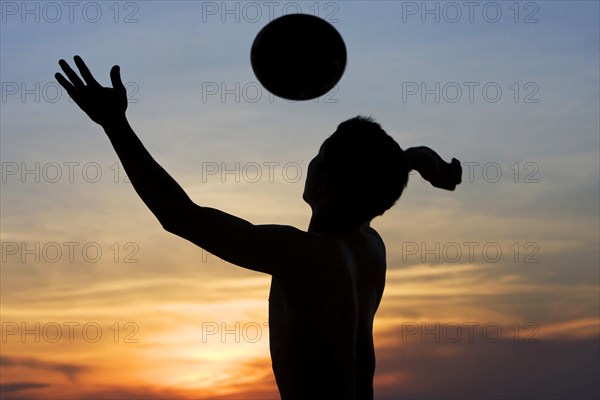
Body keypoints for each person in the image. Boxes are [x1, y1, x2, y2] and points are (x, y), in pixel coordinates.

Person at [55, 56, 462, 400]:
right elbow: (381, 174)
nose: (312, 160)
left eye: (319, 155)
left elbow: (179, 215)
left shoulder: (299, 254)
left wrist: (115, 125)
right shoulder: (370, 246)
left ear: (322, 182)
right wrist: (417, 159)